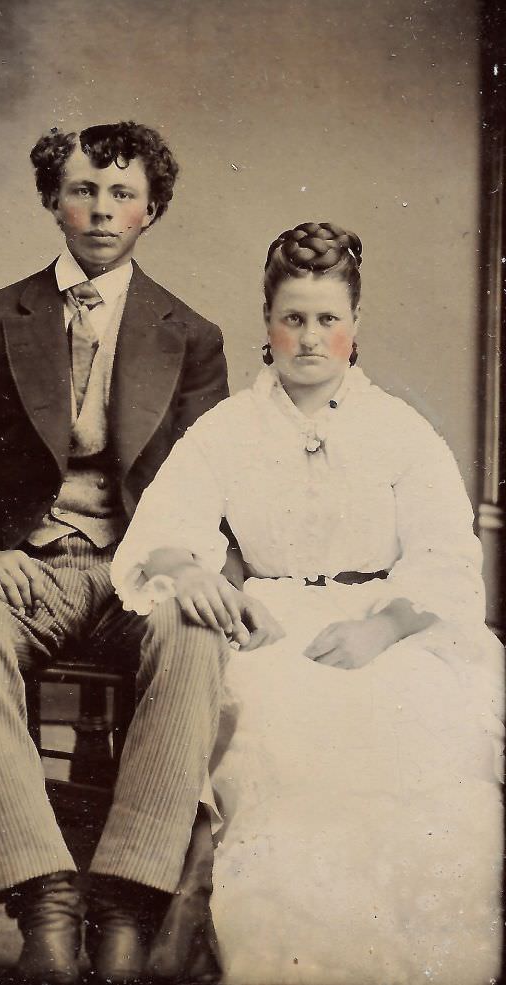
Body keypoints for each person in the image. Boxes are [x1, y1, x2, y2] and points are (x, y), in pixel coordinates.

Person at [109, 222, 505, 984]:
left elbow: (447, 559)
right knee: (274, 723)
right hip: (275, 624)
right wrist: (197, 575)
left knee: (421, 730)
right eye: (294, 318)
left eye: (329, 318)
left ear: (355, 328)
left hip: (391, 628)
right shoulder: (227, 429)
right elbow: (160, 533)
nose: (312, 338)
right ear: (268, 325)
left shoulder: (401, 430)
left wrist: (381, 627)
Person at [0, 121, 230, 985]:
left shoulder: (191, 335)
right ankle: (44, 898)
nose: (102, 209)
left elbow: (212, 480)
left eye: (123, 192)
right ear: (52, 200)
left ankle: (125, 900)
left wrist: (182, 562)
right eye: (83, 189)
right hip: (27, 566)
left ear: (151, 209)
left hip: (139, 571)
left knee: (196, 636)